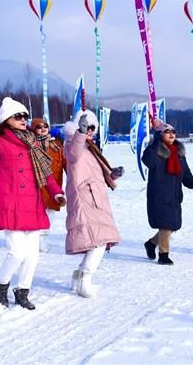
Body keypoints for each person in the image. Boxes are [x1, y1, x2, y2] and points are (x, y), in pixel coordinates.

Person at [0, 97, 66, 309]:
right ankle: (1, 286)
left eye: (25, 116)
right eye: (18, 116)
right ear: (6, 119)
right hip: (11, 204)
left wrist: (56, 193)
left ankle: (22, 290)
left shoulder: (32, 142)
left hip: (33, 204)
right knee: (17, 252)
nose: (23, 119)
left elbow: (45, 174)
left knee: (32, 255)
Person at [63, 111, 123, 297]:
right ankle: (85, 280)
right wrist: (80, 133)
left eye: (92, 128)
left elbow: (100, 173)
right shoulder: (72, 144)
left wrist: (113, 174)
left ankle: (79, 277)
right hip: (85, 199)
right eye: (86, 127)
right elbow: (73, 155)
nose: (89, 131)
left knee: (98, 240)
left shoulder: (90, 148)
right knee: (98, 241)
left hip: (96, 198)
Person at [142, 119, 193, 265]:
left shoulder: (178, 152)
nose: (172, 134)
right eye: (167, 132)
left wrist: (192, 183)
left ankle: (151, 243)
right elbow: (147, 161)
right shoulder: (154, 150)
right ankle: (163, 255)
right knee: (166, 225)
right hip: (159, 194)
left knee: (171, 225)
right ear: (160, 135)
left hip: (174, 194)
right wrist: (155, 144)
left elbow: (185, 171)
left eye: (173, 132)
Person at [31, 117, 66, 253]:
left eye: (45, 126)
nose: (43, 128)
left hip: (53, 187)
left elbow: (66, 163)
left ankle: (43, 240)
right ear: (34, 130)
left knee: (50, 216)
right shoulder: (31, 145)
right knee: (36, 215)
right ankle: (35, 241)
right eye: (39, 127)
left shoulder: (57, 145)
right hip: (37, 187)